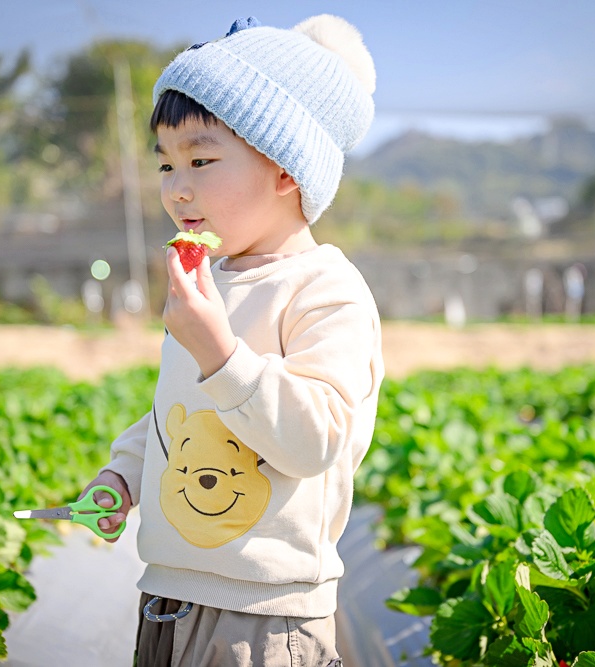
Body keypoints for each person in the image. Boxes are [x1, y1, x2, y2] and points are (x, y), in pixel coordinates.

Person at [78, 14, 385, 666]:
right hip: (165, 597)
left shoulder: (326, 289)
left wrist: (219, 349)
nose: (176, 187)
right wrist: (123, 474)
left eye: (201, 159)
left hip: (266, 619)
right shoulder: (209, 276)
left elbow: (317, 439)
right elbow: (179, 408)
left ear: (284, 169)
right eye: (165, 164)